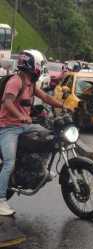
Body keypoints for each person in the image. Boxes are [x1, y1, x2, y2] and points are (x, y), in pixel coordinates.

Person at [0, 49, 65, 216]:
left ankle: (39, 169)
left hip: (24, 126)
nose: (41, 68)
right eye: (40, 65)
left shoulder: (31, 82)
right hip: (7, 127)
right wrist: (21, 116)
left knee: (48, 137)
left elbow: (46, 97)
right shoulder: (16, 81)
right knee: (9, 163)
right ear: (31, 65)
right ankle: (0, 200)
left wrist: (62, 106)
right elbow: (7, 102)